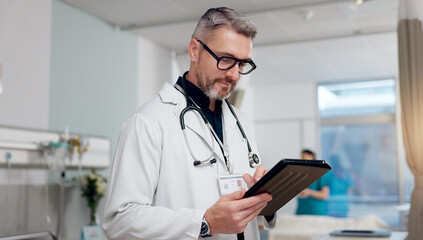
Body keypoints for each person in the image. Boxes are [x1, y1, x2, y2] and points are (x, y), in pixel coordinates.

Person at [102, 7, 275, 240]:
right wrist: (205, 223)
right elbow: (119, 220)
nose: (234, 75)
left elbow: (249, 212)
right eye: (226, 60)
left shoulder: (241, 122)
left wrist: (265, 199)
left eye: (242, 64)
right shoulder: (149, 122)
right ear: (195, 50)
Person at [296, 149, 334, 215]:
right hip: (301, 213)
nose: (302, 160)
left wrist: (309, 192)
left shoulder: (321, 173)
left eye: (304, 158)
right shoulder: (300, 173)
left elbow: (324, 195)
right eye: (301, 158)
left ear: (312, 156)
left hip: (316, 213)